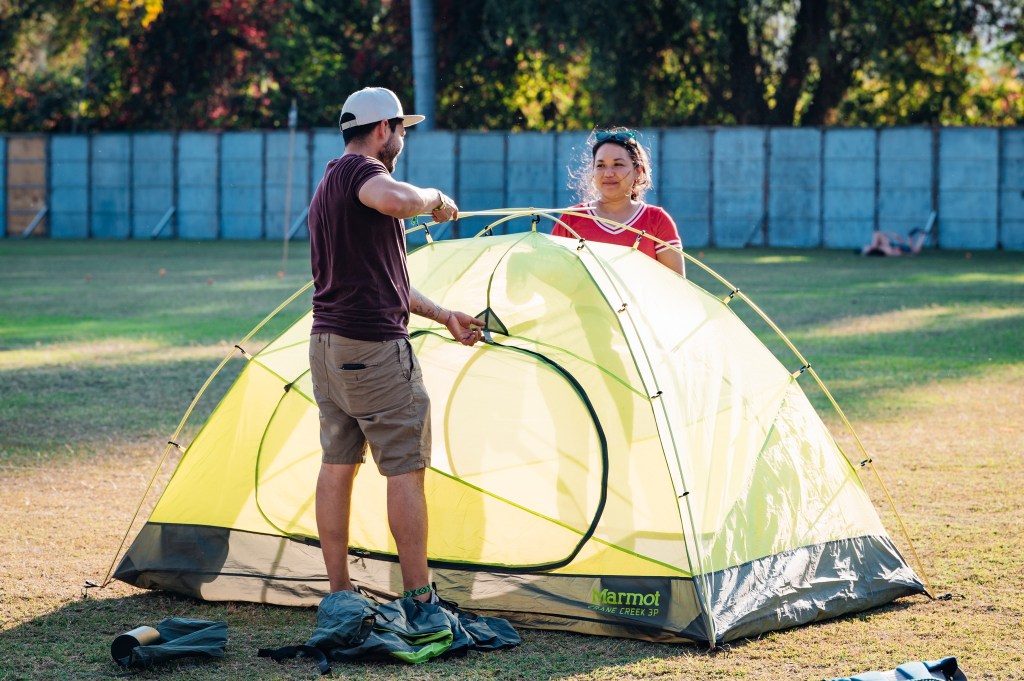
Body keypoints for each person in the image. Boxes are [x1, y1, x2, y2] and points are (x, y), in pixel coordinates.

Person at [307, 86, 484, 604]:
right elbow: (399, 199)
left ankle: (339, 592)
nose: (403, 137)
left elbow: (389, 283)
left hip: (328, 347)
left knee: (336, 465)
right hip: (373, 350)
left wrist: (445, 314)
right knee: (405, 468)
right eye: (402, 128)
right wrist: (435, 200)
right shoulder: (363, 173)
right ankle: (420, 599)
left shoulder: (329, 185)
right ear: (383, 129)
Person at [553, 127, 685, 276]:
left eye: (618, 164)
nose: (608, 173)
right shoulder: (571, 219)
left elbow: (676, 288)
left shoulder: (658, 220)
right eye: (601, 165)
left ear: (638, 170)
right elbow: (554, 279)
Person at [860, 228, 927, 257]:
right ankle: (918, 236)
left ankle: (917, 236)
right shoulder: (883, 248)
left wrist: (891, 235)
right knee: (914, 251)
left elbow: (877, 234)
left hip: (893, 247)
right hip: (893, 248)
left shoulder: (882, 245)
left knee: (913, 251)